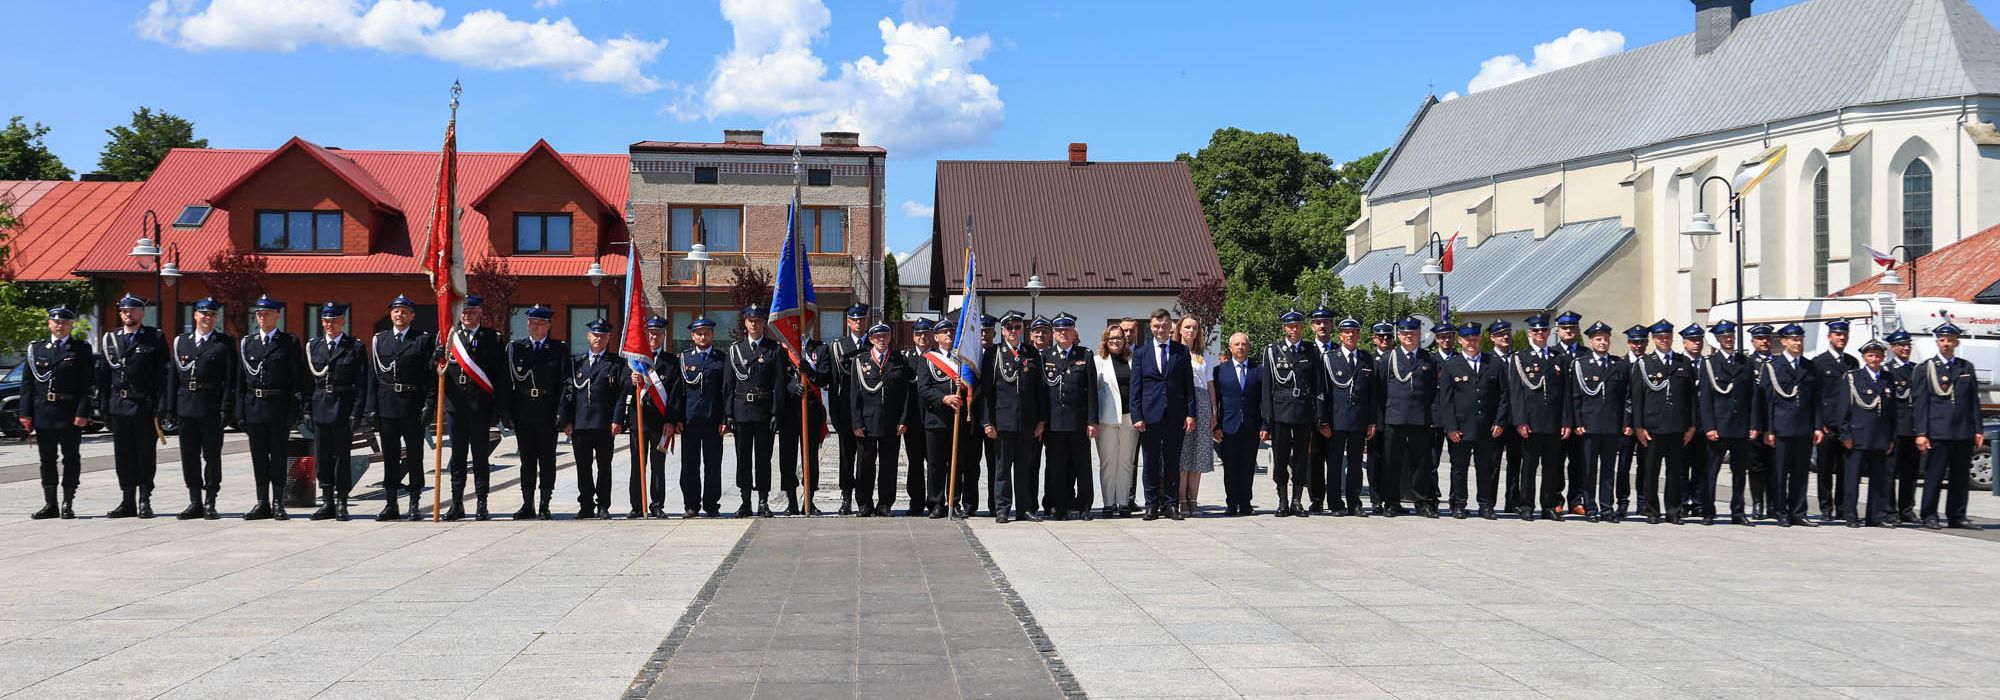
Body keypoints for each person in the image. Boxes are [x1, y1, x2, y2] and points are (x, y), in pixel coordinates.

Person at [97, 294, 169, 519]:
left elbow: (163, 375)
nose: (129, 314)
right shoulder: (111, 339)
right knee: (124, 455)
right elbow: (103, 377)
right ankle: (127, 500)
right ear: (120, 313)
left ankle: (144, 500)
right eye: (125, 310)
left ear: (142, 313)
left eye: (134, 310)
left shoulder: (154, 338)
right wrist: (104, 408)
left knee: (145, 455)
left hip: (144, 406)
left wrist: (162, 405)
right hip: (119, 406)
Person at [439, 296, 511, 521]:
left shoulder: (493, 338)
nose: (466, 315)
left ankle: (482, 503)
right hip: (456, 407)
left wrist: (497, 410)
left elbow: (500, 378)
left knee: (480, 458)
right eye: (463, 311)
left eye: (471, 311)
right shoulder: (449, 337)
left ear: (480, 312)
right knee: (457, 457)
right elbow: (439, 372)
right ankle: (456, 503)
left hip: (481, 407)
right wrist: (435, 360)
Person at [365, 295, 436, 521]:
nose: (400, 315)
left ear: (412, 316)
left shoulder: (422, 340)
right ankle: (391, 503)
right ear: (390, 314)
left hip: (413, 406)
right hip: (387, 406)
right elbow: (372, 377)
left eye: (405, 311)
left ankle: (414, 503)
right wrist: (371, 409)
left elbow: (431, 377)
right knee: (391, 457)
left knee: (415, 456)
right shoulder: (380, 340)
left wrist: (429, 405)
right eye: (396, 311)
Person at [22, 306, 94, 520]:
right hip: (44, 412)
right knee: (47, 460)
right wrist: (26, 413)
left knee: (71, 459)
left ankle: (68, 502)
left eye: (64, 322)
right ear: (49, 324)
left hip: (69, 412)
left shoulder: (80, 349)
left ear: (71, 325)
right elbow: (27, 385)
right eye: (56, 322)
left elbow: (87, 384)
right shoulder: (36, 349)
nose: (60, 325)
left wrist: (83, 412)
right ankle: (50, 503)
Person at [238, 295, 307, 521]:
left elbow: (296, 380)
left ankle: (278, 501)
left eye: (266, 313)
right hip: (254, 407)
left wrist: (295, 411)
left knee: (278, 456)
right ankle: (262, 502)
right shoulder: (248, 342)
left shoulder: (288, 342)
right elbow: (240, 381)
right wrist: (240, 412)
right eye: (258, 313)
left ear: (277, 315)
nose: (262, 317)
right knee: (258, 457)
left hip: (278, 407)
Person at [1913, 322, 1985, 530]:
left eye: (1950, 340)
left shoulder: (1965, 367)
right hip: (1938, 431)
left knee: (1960, 477)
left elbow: (1973, 401)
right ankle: (1929, 514)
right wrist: (1921, 432)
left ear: (1956, 342)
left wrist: (1978, 428)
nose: (1946, 344)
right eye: (1942, 340)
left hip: (1962, 431)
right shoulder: (1926, 368)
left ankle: (1957, 515)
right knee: (1934, 476)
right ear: (1937, 342)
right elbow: (1920, 403)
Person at [170, 298, 237, 520]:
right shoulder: (182, 342)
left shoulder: (224, 343)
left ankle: (210, 500)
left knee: (212, 456)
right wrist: (170, 409)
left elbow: (230, 379)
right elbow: (173, 377)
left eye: (212, 315)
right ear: (195, 316)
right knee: (189, 456)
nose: (208, 318)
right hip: (186, 406)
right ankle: (194, 500)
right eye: (203, 314)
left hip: (210, 406)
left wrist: (226, 409)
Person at [1130, 309, 1196, 521]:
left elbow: (1189, 386)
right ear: (1151, 327)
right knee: (1149, 461)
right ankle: (1151, 504)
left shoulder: (1181, 351)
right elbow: (1136, 388)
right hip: (1149, 416)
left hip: (1175, 415)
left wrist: (1190, 413)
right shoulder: (1141, 353)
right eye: (1157, 326)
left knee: (1172, 461)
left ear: (1171, 327)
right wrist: (1136, 415)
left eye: (1165, 326)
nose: (1161, 330)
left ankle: (1170, 504)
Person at [306, 303, 370, 521]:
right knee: (323, 456)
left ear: (343, 321)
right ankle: (327, 502)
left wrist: (356, 413)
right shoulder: (313, 347)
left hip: (343, 407)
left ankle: (342, 501)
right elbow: (308, 384)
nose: (329, 324)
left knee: (342, 457)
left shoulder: (354, 347)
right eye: (326, 320)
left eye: (334, 320)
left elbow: (362, 385)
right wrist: (306, 410)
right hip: (320, 406)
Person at [1631, 320, 1697, 524]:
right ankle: (1652, 511)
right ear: (1653, 339)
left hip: (1677, 427)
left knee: (1675, 473)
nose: (1664, 340)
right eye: (1660, 337)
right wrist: (1639, 427)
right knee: (1651, 472)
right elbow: (1636, 398)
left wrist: (1692, 425)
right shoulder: (1643, 364)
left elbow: (1691, 398)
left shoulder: (1683, 362)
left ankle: (1674, 511)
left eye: (1668, 337)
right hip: (1652, 428)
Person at [982, 311, 1045, 523]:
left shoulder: (1031, 353)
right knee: (1002, 468)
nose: (1013, 331)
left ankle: (1024, 508)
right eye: (1009, 328)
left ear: (1022, 329)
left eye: (1017, 327)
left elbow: (1040, 390)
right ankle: (1002, 508)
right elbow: (987, 392)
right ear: (1002, 331)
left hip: (1027, 422)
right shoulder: (994, 353)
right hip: (1003, 420)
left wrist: (1041, 420)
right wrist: (987, 421)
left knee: (1024, 467)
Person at [723, 304, 785, 517]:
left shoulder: (774, 349)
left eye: (758, 320)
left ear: (763, 323)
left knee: (763, 459)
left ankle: (763, 501)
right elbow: (728, 385)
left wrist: (777, 412)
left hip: (764, 412)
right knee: (743, 459)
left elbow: (778, 384)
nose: (754, 324)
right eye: (751, 320)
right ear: (745, 323)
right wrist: (728, 414)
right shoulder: (735, 350)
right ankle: (746, 501)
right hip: (741, 411)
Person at [506, 304, 568, 520]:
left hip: (547, 411)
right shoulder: (516, 348)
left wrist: (562, 413)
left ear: (548, 326)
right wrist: (508, 413)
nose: (534, 327)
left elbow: (564, 384)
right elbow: (509, 383)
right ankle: (527, 504)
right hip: (523, 412)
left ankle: (544, 504)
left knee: (547, 459)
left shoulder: (558, 349)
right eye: (531, 323)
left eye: (540, 323)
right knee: (527, 461)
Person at [561, 320, 627, 519]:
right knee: (583, 467)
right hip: (580, 423)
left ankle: (603, 505)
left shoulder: (616, 363)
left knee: (604, 467)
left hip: (604, 424)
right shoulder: (576, 362)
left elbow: (621, 395)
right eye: (595, 335)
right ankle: (586, 504)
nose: (599, 339)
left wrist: (617, 420)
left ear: (608, 339)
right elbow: (568, 393)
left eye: (603, 336)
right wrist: (566, 421)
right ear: (588, 337)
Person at [1439, 322, 1505, 519]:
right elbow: (1446, 400)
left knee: (1486, 468)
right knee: (1459, 468)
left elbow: (1504, 396)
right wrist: (1450, 427)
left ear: (1480, 339)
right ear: (1460, 341)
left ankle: (1486, 504)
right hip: (1461, 427)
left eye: (1474, 338)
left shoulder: (1493, 363)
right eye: (1467, 339)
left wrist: (1500, 422)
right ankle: (1459, 504)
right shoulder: (1451, 365)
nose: (1471, 342)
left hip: (1487, 427)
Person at [1830, 339, 1899, 528]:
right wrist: (1845, 435)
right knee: (1852, 479)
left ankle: (1876, 516)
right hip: (1857, 436)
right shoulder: (1853, 377)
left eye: (1877, 355)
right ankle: (1851, 515)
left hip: (1880, 437)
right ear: (1864, 358)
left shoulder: (1888, 378)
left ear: (1883, 357)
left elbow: (1892, 412)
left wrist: (1891, 438)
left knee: (1879, 479)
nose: (1874, 359)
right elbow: (1843, 409)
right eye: (1870, 355)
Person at [1262, 308, 1323, 517]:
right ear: (1284, 328)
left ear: (1302, 327)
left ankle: (1297, 499)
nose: (1294, 329)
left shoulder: (1310, 350)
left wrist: (1319, 414)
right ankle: (1282, 500)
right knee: (1280, 458)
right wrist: (1267, 418)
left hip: (1304, 411)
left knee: (1301, 458)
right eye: (1290, 326)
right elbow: (1267, 386)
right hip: (1280, 412)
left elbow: (1318, 384)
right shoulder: (1272, 351)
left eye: (1297, 325)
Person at [1759, 323, 1821, 527]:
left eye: (1800, 339)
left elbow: (1815, 400)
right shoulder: (1772, 367)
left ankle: (1799, 511)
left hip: (1803, 428)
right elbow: (1767, 400)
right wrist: (1767, 429)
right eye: (1793, 339)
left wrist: (1817, 426)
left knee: (1801, 473)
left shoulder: (1809, 366)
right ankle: (1780, 511)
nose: (1797, 343)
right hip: (1781, 428)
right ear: (1784, 341)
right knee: (1779, 473)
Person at [920, 312, 981, 519]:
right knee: (936, 464)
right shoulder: (927, 359)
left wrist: (963, 390)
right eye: (943, 332)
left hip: (958, 419)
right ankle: (936, 503)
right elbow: (924, 388)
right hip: (936, 419)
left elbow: (974, 388)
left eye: (950, 332)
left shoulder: (963, 361)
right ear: (935, 337)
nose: (948, 335)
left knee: (957, 462)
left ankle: (953, 502)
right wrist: (943, 398)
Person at [1508, 314, 1569, 521]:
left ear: (1549, 333)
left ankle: (1549, 506)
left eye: (1543, 331)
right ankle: (1526, 505)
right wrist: (1520, 421)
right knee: (1529, 466)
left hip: (1553, 422)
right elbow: (1516, 394)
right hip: (1531, 422)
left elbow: (1565, 394)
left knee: (1552, 467)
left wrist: (1566, 421)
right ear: (1529, 334)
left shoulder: (1557, 358)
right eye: (1536, 331)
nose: (1540, 334)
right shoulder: (1520, 358)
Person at [1697, 320, 1757, 526]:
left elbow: (1752, 397)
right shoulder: (1710, 363)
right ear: (1718, 339)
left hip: (1740, 426)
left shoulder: (1745, 362)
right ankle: (1708, 511)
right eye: (1724, 337)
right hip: (1719, 426)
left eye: (1731, 336)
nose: (1729, 339)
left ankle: (1738, 512)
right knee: (1711, 472)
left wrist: (1753, 425)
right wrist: (1709, 426)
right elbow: (1705, 398)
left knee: (1740, 473)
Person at [847, 322, 910, 517]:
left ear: (889, 338)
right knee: (865, 465)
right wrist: (856, 423)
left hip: (891, 422)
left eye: (885, 336)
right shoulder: (861, 361)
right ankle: (864, 504)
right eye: (877, 337)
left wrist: (903, 419)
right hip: (867, 422)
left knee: (889, 466)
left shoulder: (898, 360)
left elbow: (905, 394)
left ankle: (885, 504)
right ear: (872, 339)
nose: (881, 340)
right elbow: (854, 395)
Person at [1569, 321, 1629, 523]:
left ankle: (1606, 508)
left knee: (1607, 470)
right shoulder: (1581, 364)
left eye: (1605, 339)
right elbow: (1576, 397)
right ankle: (1590, 507)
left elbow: (1626, 398)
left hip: (1612, 425)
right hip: (1589, 424)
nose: (1603, 343)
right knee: (1588, 469)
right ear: (1591, 341)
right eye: (1598, 339)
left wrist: (1625, 422)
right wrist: (1577, 422)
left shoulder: (1619, 365)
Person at [1378, 317, 1437, 517]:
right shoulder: (1389, 358)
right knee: (1391, 463)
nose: (1408, 337)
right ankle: (1391, 502)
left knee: (1421, 463)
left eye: (1412, 333)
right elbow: (1380, 389)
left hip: (1420, 419)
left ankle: (1422, 502)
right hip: (1394, 418)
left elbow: (1432, 390)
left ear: (1419, 335)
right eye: (1404, 334)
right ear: (1398, 336)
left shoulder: (1428, 358)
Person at [1041, 313, 1098, 520]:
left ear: (1074, 333)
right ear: (1054, 334)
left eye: (1067, 330)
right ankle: (1060, 506)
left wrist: (1092, 420)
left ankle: (1084, 507)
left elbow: (1092, 391)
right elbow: (1041, 394)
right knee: (1056, 467)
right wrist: (1042, 420)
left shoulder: (1085, 355)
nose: (1063, 333)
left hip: (1078, 423)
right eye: (1058, 330)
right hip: (1054, 424)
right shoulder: (1045, 356)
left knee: (1082, 466)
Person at [673, 317, 727, 518]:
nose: (703, 337)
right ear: (692, 336)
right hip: (690, 421)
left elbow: (725, 392)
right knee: (689, 465)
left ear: (712, 335)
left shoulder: (721, 359)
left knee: (713, 465)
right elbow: (679, 392)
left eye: (707, 333)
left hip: (713, 420)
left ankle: (712, 504)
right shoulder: (685, 359)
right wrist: (677, 418)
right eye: (699, 333)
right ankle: (691, 504)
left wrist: (724, 419)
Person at [1322, 317, 1376, 518]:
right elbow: (1324, 392)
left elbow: (1371, 394)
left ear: (1359, 335)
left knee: (1355, 464)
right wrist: (1323, 420)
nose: (1350, 335)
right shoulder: (1330, 357)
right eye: (1346, 332)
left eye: (1354, 332)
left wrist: (1372, 421)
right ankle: (1335, 503)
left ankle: (1355, 503)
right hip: (1336, 420)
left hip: (1358, 420)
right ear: (1340, 335)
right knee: (1335, 463)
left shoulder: (1366, 359)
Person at [626, 317, 678, 519]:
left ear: (664, 335)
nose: (654, 337)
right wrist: (630, 380)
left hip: (660, 422)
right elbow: (622, 387)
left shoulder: (671, 362)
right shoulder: (634, 359)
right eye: (650, 333)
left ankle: (657, 505)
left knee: (658, 465)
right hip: (638, 421)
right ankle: (637, 505)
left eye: (658, 333)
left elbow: (675, 394)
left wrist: (670, 421)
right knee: (637, 464)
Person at [1811, 319, 1859, 522]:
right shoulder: (1819, 363)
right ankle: (1825, 507)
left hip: (1847, 426)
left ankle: (1842, 506)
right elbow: (1814, 396)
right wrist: (1818, 424)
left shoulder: (1852, 362)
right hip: (1827, 426)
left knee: (1845, 470)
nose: (1842, 338)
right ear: (1829, 336)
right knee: (1825, 469)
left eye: (1844, 334)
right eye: (1838, 334)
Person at [783, 332, 835, 515]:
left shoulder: (820, 348)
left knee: (811, 456)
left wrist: (811, 372)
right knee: (788, 456)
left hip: (811, 407)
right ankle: (791, 502)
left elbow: (826, 377)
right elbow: (778, 376)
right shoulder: (783, 348)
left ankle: (809, 501)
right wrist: (790, 386)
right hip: (789, 409)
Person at [1093, 325, 1139, 518]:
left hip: (1130, 418)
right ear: (1105, 340)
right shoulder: (1098, 361)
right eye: (1111, 338)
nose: (1116, 341)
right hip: (1106, 419)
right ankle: (1108, 503)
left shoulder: (1133, 360)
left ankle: (1123, 502)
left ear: (1124, 339)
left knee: (1126, 462)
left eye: (1119, 337)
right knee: (1108, 462)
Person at [1213, 332, 1261, 516]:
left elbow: (1262, 400)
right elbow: (1216, 401)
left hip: (1251, 426)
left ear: (1249, 347)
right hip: (1228, 426)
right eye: (1237, 344)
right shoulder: (1220, 371)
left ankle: (1246, 502)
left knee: (1248, 467)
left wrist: (1265, 426)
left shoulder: (1259, 370)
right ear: (1230, 347)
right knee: (1230, 466)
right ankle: (1231, 503)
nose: (1240, 347)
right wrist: (1215, 426)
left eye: (1244, 344)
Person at [829, 304, 870, 515]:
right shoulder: (839, 346)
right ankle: (846, 497)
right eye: (855, 320)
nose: (859, 323)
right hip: (845, 412)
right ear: (848, 322)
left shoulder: (874, 344)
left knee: (865, 458)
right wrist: (834, 414)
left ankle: (863, 499)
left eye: (862, 319)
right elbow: (834, 383)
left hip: (867, 412)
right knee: (846, 458)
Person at [1883, 329, 1923, 524]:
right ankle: (1889, 510)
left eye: (1908, 345)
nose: (1905, 348)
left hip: (1913, 429)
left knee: (1911, 472)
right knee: (1890, 472)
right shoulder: (1887, 371)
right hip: (1895, 429)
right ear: (1893, 348)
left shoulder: (1917, 370)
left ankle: (1907, 509)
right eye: (1901, 345)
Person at [1177, 315, 1215, 516]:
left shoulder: (1203, 355)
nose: (1191, 331)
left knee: (1199, 453)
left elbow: (1209, 383)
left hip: (1202, 402)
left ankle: (1194, 499)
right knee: (1184, 453)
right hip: (1183, 402)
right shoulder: (1174, 351)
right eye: (1187, 327)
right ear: (1180, 329)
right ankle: (1182, 498)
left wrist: (1214, 411)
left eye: (1195, 328)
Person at [900, 318, 936, 515]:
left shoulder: (939, 358)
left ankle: (934, 502)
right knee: (914, 463)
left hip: (934, 419)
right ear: (913, 336)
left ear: (933, 336)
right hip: (913, 420)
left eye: (927, 333)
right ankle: (916, 502)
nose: (923, 337)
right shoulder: (906, 358)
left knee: (934, 463)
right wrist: (903, 419)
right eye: (919, 334)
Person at [1745, 324, 1778, 519]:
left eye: (1767, 338)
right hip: (1754, 424)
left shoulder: (1778, 363)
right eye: (1760, 338)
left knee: (1775, 466)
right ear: (1753, 342)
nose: (1764, 341)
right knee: (1756, 466)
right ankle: (1757, 503)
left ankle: (1773, 504)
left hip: (1775, 422)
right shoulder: (1748, 364)